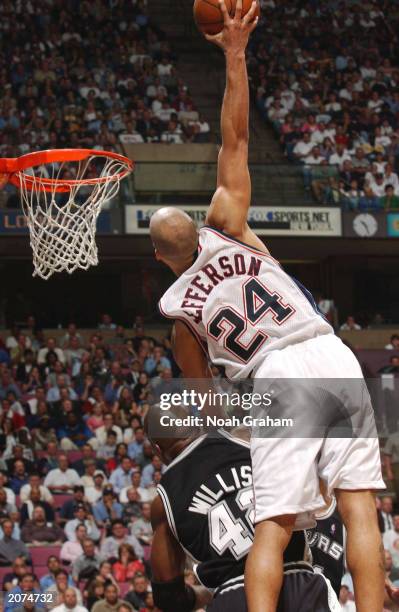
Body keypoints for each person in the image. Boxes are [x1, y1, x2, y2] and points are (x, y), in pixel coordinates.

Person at [149, 3, 385, 611]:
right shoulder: (228, 225)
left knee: (273, 524)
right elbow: (237, 134)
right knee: (360, 502)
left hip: (272, 376)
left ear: (158, 259)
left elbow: (207, 400)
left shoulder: (179, 312)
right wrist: (234, 54)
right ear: (197, 231)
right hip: (326, 346)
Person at [145, 405, 338, 612]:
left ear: (157, 449)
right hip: (297, 581)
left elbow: (169, 598)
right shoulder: (244, 438)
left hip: (234, 598)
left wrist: (206, 594)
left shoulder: (163, 503)